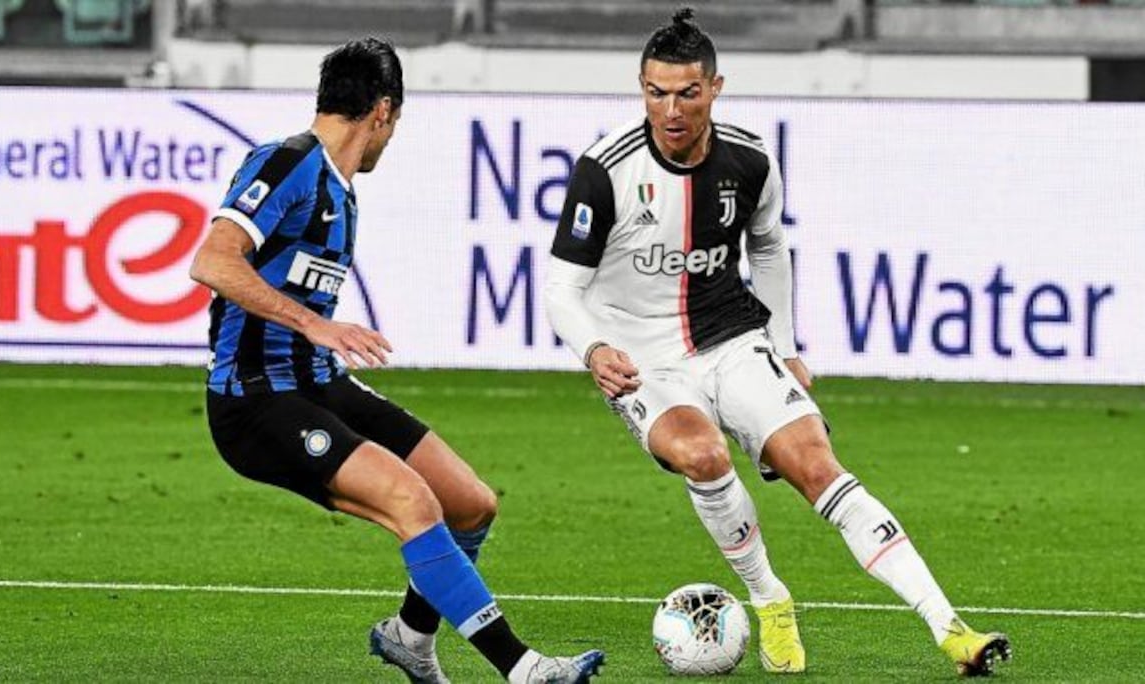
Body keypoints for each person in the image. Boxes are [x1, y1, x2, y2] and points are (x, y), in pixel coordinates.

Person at [543, 8, 1010, 677]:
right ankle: (769, 599)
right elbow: (560, 288)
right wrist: (593, 349)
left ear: (715, 87)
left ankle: (951, 629)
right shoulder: (604, 170)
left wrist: (785, 344)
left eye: (686, 93)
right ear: (641, 88)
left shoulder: (751, 159)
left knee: (819, 466)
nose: (669, 110)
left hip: (732, 338)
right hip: (644, 358)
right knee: (701, 455)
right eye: (655, 92)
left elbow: (769, 245)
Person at [190, 37, 604, 684]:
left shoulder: (340, 188)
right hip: (254, 400)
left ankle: (410, 637)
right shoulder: (289, 163)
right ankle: (524, 670)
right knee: (413, 502)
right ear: (383, 112)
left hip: (319, 385)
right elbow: (212, 260)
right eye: (395, 124)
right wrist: (313, 324)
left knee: (469, 503)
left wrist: (317, 338)